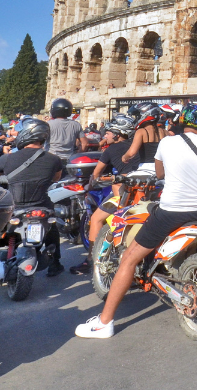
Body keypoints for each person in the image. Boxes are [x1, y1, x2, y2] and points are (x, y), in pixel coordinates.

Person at [75, 105, 197, 339]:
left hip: (171, 212)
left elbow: (160, 174)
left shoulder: (167, 143)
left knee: (129, 258)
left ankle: (104, 323)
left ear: (182, 121)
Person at [0, 119, 66, 277]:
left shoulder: (7, 159)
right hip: (42, 206)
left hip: (15, 206)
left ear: (26, 135)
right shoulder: (54, 159)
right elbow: (55, 178)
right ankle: (55, 263)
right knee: (52, 229)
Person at [71, 114, 140, 275]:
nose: (105, 135)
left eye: (108, 133)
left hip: (126, 193)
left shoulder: (111, 150)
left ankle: (91, 260)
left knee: (96, 219)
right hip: (145, 190)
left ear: (117, 134)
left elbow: (96, 174)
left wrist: (89, 185)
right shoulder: (137, 146)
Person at [122, 102, 164, 169]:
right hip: (162, 168)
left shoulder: (141, 132)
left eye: (137, 115)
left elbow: (131, 153)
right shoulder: (165, 132)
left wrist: (124, 157)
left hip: (146, 168)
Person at [47, 98, 83, 163]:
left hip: (52, 158)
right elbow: (85, 143)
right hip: (70, 159)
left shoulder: (48, 124)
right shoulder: (76, 125)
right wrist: (78, 154)